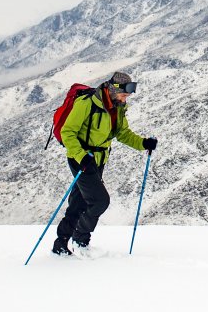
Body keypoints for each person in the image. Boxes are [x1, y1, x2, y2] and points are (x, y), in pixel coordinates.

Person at [52, 71, 157, 255]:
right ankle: (80, 238)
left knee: (79, 203)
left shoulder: (118, 107)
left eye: (127, 96)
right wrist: (81, 156)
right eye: (123, 95)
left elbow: (122, 133)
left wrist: (143, 143)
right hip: (81, 159)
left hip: (98, 160)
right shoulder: (87, 103)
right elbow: (67, 132)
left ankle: (60, 244)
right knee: (100, 201)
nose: (125, 99)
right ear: (113, 90)